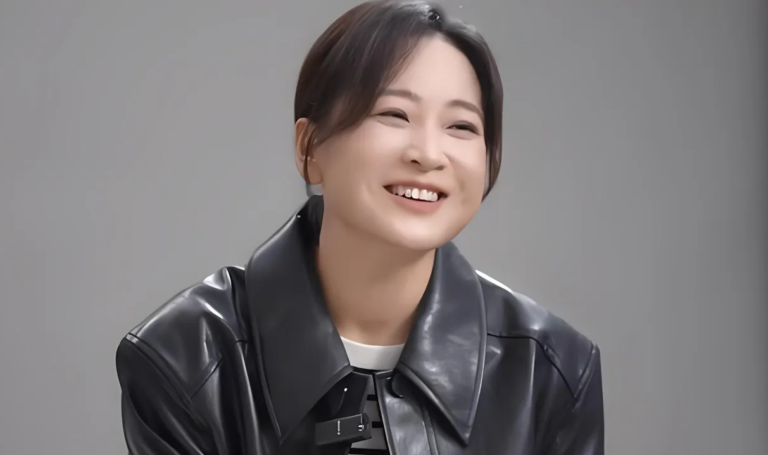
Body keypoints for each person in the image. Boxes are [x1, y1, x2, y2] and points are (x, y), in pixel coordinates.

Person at [115, 1, 604, 454]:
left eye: (461, 126)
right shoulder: (187, 358)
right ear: (310, 148)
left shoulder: (551, 369)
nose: (428, 154)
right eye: (394, 114)